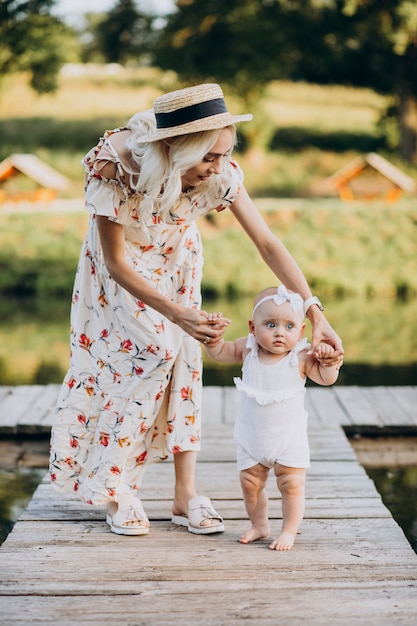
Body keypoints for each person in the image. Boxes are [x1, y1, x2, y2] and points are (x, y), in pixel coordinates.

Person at [49, 83, 343, 537]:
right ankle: (115, 488)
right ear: (172, 147)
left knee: (186, 357)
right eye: (209, 157)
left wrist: (316, 312)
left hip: (175, 259)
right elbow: (115, 262)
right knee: (145, 356)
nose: (218, 167)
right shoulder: (115, 166)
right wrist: (176, 314)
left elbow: (267, 243)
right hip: (121, 268)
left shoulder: (221, 173)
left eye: (225, 154)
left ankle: (185, 496)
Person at [204, 285, 340, 550]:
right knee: (250, 484)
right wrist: (213, 340)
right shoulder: (248, 348)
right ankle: (259, 524)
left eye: (289, 326)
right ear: (253, 328)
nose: (279, 332)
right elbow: (221, 353)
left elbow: (326, 380)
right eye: (270, 324)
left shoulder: (301, 356)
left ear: (301, 331)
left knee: (291, 485)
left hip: (288, 439)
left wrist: (330, 363)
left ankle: (289, 531)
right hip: (252, 438)